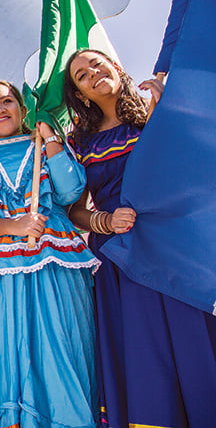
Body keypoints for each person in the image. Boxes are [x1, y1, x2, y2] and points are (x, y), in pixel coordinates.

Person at [63, 48, 216, 428]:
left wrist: (165, 117)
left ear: (115, 66)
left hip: (173, 245)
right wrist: (105, 220)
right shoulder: (78, 144)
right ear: (81, 94)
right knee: (145, 351)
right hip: (120, 255)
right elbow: (74, 211)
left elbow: (194, 170)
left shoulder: (159, 112)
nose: (93, 73)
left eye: (97, 64)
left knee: (192, 338)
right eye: (82, 75)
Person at [0, 80, 99, 428]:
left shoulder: (47, 147)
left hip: (55, 261)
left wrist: (52, 140)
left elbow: (71, 190)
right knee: (9, 347)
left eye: (7, 101)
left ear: (23, 109)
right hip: (0, 268)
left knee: (59, 345)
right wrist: (13, 227)